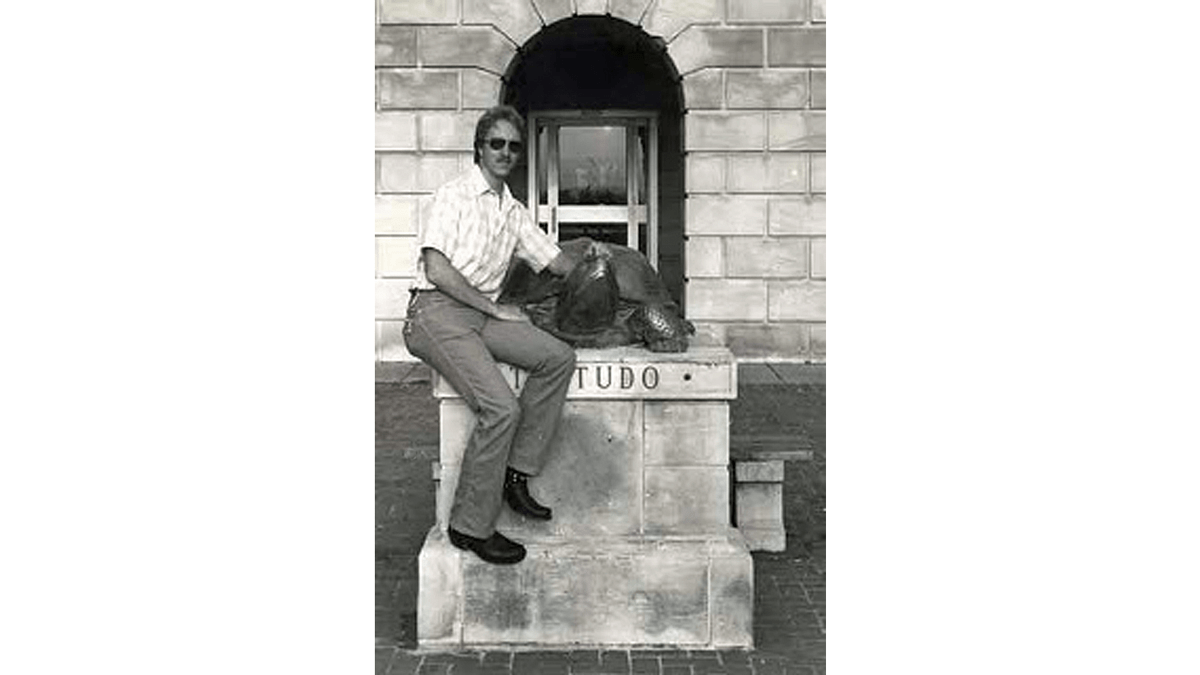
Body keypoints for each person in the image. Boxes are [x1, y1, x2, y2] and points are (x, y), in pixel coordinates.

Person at [402, 105, 579, 565]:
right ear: (479, 148)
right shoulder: (453, 196)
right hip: (435, 314)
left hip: (478, 316)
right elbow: (437, 270)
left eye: (513, 146)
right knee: (500, 407)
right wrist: (494, 308)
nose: (505, 152)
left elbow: (556, 262)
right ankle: (470, 528)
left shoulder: (512, 211)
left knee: (557, 357)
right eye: (496, 143)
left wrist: (602, 261)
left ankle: (516, 473)